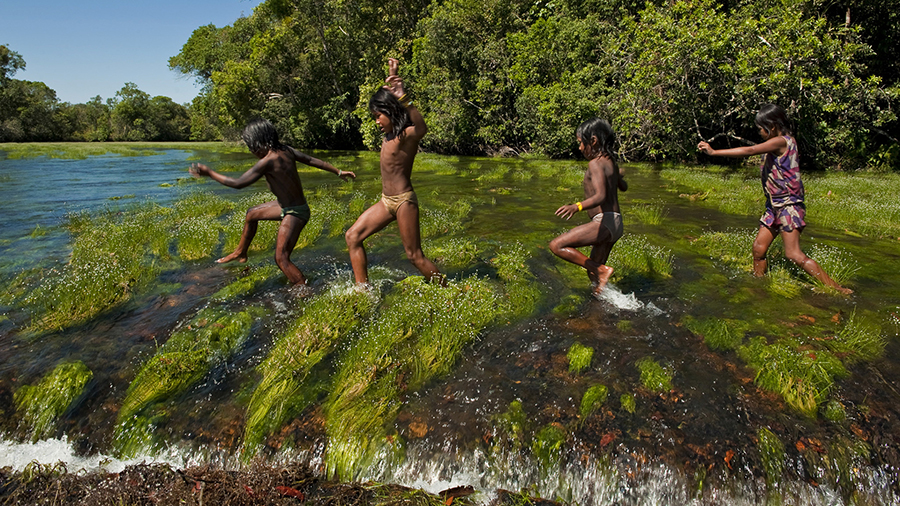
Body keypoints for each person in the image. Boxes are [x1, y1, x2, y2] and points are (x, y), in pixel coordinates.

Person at [697, 103, 852, 294]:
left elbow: (750, 151)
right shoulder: (775, 143)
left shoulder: (782, 141)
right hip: (774, 206)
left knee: (793, 254)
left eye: (760, 129)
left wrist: (714, 152)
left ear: (771, 126)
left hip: (788, 206)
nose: (759, 132)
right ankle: (758, 286)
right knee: (758, 249)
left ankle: (838, 289)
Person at [188, 118, 355, 286]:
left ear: (259, 143)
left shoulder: (267, 161)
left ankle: (303, 289)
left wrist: (210, 173)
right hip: (286, 206)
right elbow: (311, 160)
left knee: (281, 258)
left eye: (250, 146)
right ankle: (240, 252)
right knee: (252, 214)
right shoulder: (286, 150)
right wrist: (338, 171)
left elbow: (237, 183)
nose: (251, 150)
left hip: (295, 212)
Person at [345, 58, 444, 287]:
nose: (377, 121)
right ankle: (363, 291)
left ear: (390, 112)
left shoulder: (406, 136)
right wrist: (393, 76)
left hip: (403, 202)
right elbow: (387, 96)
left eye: (378, 116)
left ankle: (447, 292)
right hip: (386, 202)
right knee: (353, 236)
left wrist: (403, 96)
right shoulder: (389, 135)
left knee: (414, 256)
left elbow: (422, 128)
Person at [549, 118, 627, 295]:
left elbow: (601, 196)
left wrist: (577, 206)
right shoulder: (611, 163)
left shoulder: (595, 163)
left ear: (593, 141)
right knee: (594, 276)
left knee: (557, 245)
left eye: (580, 143)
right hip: (616, 223)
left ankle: (603, 271)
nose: (580, 148)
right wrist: (619, 177)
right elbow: (624, 187)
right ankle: (605, 304)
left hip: (604, 222)